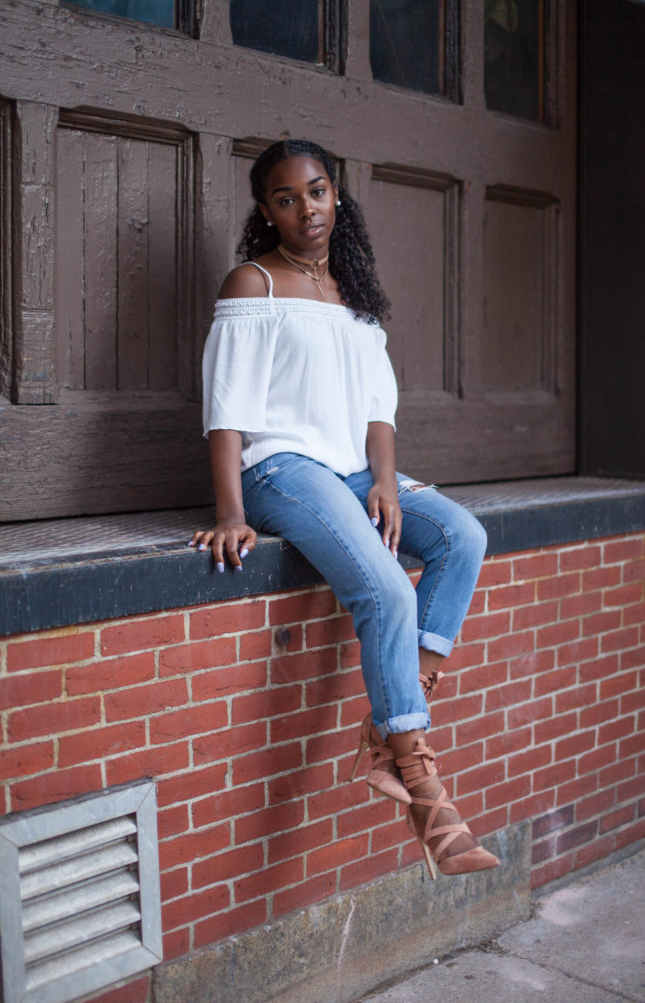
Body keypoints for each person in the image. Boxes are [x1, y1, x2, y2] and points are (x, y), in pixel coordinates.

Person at [189, 139, 499, 879]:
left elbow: (377, 414)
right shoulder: (254, 282)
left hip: (354, 469)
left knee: (461, 535)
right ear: (265, 211)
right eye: (287, 198)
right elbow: (226, 412)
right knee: (386, 586)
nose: (307, 209)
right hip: (282, 468)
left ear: (338, 195)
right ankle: (421, 786)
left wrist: (385, 483)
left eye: (318, 191)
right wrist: (231, 511)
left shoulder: (352, 294)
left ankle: (387, 725)